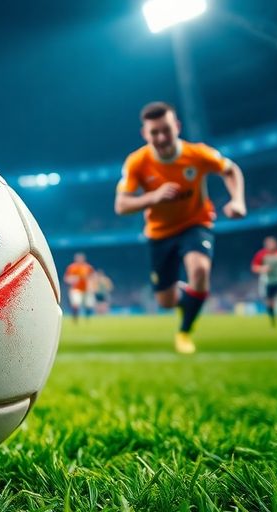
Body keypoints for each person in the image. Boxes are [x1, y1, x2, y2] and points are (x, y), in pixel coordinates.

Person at [114, 101, 246, 354]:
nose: (161, 137)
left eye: (166, 130)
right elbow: (121, 205)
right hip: (159, 234)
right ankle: (191, 297)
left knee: (199, 270)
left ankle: (184, 332)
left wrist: (237, 199)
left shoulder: (198, 154)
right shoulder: (137, 162)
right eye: (154, 132)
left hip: (195, 223)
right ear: (145, 134)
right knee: (166, 301)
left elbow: (231, 170)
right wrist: (153, 197)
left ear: (177, 126)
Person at [64, 252, 95, 323]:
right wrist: (72, 279)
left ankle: (87, 320)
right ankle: (75, 320)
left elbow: (92, 277)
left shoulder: (88, 267)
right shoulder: (72, 267)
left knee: (88, 305)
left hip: (86, 289)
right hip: (75, 289)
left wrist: (92, 286)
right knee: (76, 304)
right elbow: (66, 278)